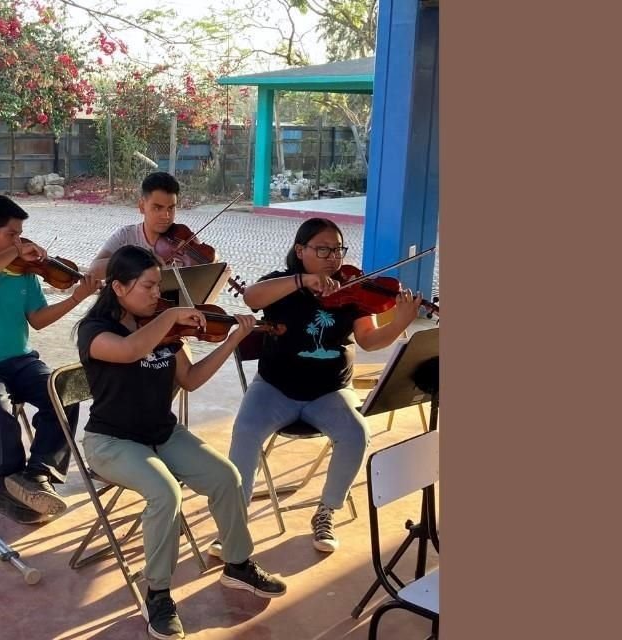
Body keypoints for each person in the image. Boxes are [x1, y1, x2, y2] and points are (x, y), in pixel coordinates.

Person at [75, 245, 286, 640]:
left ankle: (238, 565)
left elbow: (189, 379)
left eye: (160, 287)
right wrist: (171, 314)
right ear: (118, 287)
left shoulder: (164, 328)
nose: (158, 294)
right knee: (165, 493)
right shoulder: (96, 332)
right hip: (112, 442)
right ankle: (157, 593)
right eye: (149, 286)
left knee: (226, 477)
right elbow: (130, 350)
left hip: (163, 433)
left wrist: (231, 340)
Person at [226, 217, 422, 553]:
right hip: (273, 387)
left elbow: (370, 340)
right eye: (323, 249)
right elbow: (251, 298)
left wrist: (401, 322)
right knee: (244, 431)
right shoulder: (280, 284)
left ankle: (326, 511)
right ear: (300, 251)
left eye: (337, 250)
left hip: (330, 391)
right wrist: (303, 280)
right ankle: (234, 520)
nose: (333, 257)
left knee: (356, 434)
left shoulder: (353, 291)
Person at [0, 195, 101, 524]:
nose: (20, 241)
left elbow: (39, 319)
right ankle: (6, 485)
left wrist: (76, 297)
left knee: (64, 393)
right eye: (11, 234)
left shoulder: (24, 272)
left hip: (19, 362)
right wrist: (15, 252)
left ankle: (38, 476)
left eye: (20, 234)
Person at [88, 171, 220, 280]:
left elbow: (207, 259)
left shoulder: (181, 234)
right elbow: (94, 270)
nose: (166, 215)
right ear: (141, 206)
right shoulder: (126, 236)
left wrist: (213, 261)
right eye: (157, 208)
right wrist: (140, 261)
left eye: (171, 208)